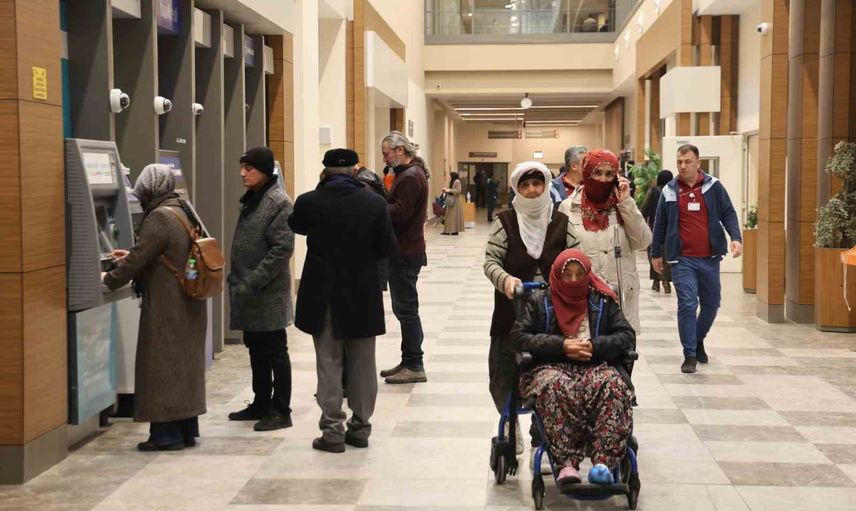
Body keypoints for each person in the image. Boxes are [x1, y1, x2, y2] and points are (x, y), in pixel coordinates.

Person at [289, 148, 396, 453]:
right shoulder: (374, 203)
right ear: (354, 170)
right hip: (361, 294)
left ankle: (332, 432)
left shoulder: (309, 201)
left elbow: (296, 225)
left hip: (322, 294)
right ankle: (360, 428)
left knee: (328, 363)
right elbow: (387, 247)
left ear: (325, 169)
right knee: (363, 364)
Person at [103, 164, 207, 451]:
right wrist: (132, 254)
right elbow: (160, 251)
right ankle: (186, 430)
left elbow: (140, 259)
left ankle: (166, 435)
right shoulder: (183, 208)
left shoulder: (160, 216)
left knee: (162, 367)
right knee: (183, 368)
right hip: (188, 301)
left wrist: (109, 278)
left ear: (149, 190)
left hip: (167, 305)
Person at [512, 248, 635, 486]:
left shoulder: (601, 299)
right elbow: (519, 337)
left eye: (580, 274)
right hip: (550, 366)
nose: (573, 280)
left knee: (613, 386)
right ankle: (566, 463)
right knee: (556, 385)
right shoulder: (540, 301)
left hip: (594, 365)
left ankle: (603, 464)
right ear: (557, 275)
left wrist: (595, 346)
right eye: (567, 274)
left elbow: (626, 335)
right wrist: (562, 346)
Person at [484, 161, 579, 465]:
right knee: (504, 373)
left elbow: (577, 258)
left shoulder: (562, 222)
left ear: (546, 186)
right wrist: (506, 281)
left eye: (537, 183)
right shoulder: (505, 222)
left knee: (551, 372)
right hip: (511, 313)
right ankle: (510, 420)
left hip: (554, 316)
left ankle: (544, 432)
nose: (532, 190)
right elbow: (491, 261)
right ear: (517, 189)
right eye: (525, 185)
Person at [651, 144, 742, 374]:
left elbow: (728, 213)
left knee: (712, 304)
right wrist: (655, 253)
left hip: (710, 258)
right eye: (679, 162)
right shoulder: (670, 190)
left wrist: (735, 238)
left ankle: (698, 338)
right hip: (682, 260)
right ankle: (689, 354)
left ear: (698, 162)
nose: (682, 166)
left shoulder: (713, 186)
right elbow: (660, 223)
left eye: (687, 162)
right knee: (688, 303)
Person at [227, 147, 295, 431]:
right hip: (249, 291)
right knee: (255, 348)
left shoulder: (278, 202)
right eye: (243, 167)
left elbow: (282, 248)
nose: (243, 173)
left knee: (275, 351)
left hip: (267, 292)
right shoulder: (254, 198)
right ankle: (261, 402)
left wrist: (254, 281)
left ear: (265, 172)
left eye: (249, 168)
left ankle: (281, 410)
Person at [559, 149, 651, 335]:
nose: (603, 179)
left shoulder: (623, 205)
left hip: (621, 295)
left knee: (620, 347)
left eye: (609, 174)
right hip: (584, 294)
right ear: (587, 173)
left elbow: (643, 241)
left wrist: (626, 204)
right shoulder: (569, 207)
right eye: (597, 173)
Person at [379, 131, 429, 384]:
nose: (385, 158)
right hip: (406, 250)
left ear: (400, 150)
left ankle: (414, 363)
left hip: (405, 252)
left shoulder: (410, 176)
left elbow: (400, 213)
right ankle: (408, 359)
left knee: (406, 310)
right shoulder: (410, 173)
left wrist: (374, 204)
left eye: (386, 153)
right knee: (404, 309)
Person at [641, 170, 674, 293]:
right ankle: (666, 280)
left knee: (654, 254)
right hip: (669, 229)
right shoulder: (673, 191)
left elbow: (644, 209)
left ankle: (656, 281)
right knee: (667, 255)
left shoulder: (653, 191)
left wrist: (643, 224)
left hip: (653, 228)